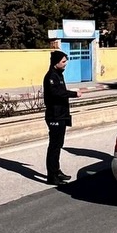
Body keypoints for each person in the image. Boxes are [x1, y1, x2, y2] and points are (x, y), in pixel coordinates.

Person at [43, 50, 81, 186]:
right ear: (56, 62)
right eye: (63, 62)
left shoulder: (59, 75)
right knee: (54, 146)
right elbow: (56, 93)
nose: (66, 64)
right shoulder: (51, 77)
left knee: (59, 145)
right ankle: (51, 176)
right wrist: (74, 94)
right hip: (54, 116)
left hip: (62, 115)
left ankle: (56, 171)